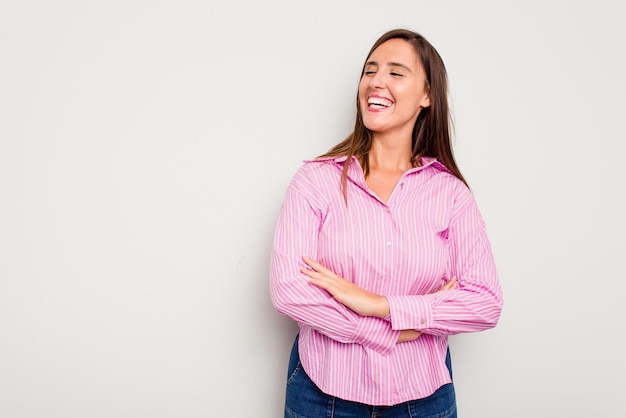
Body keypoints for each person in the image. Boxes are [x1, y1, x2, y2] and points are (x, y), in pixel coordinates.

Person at [270, 28, 503, 418]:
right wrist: (385, 328)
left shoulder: (451, 194)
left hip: (423, 396)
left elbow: (484, 303)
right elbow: (289, 291)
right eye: (370, 71)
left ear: (427, 96)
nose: (376, 81)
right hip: (323, 393)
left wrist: (380, 305)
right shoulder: (316, 180)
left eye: (396, 72)